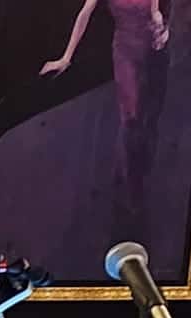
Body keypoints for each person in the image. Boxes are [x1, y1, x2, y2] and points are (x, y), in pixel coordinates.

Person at [41, 0, 172, 236]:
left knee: (150, 119)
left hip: (154, 52)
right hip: (126, 52)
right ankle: (128, 194)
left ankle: (142, 173)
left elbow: (158, 11)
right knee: (130, 118)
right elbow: (85, 14)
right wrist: (66, 58)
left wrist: (162, 27)